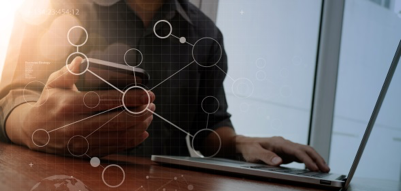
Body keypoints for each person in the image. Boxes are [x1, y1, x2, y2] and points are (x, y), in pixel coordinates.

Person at [0, 0, 330, 172]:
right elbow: (11, 96)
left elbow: (208, 130)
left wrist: (242, 144)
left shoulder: (207, 35)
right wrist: (30, 123)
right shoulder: (51, 6)